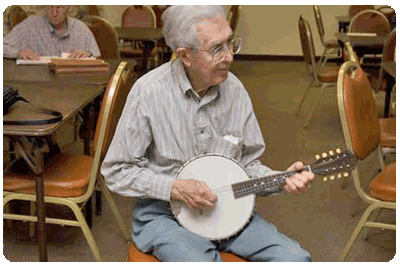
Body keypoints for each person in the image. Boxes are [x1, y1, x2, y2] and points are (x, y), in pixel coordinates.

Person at [101, 5, 314, 262]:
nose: (229, 57)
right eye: (216, 49)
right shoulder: (148, 93)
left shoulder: (235, 91)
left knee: (296, 258)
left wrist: (280, 179)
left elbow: (247, 165)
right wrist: (175, 188)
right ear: (185, 55)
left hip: (228, 213)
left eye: (230, 43)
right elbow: (116, 170)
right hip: (165, 216)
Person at [3, 5, 100, 60]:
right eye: (50, 7)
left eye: (59, 7)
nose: (54, 13)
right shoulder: (29, 26)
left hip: (74, 84)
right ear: (45, 8)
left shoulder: (80, 28)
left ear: (68, 7)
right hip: (38, 84)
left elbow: (97, 56)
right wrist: (18, 53)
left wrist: (88, 54)